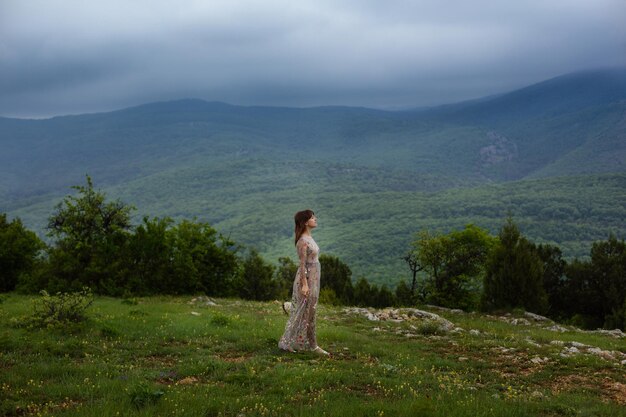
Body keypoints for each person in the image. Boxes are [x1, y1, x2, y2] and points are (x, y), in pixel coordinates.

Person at [278, 209, 330, 356]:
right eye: (313, 218)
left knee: (311, 311)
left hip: (314, 278)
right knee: (302, 311)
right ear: (306, 222)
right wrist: (305, 284)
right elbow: (302, 265)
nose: (316, 219)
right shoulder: (302, 241)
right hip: (307, 279)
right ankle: (288, 342)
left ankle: (312, 344)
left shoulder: (309, 238)